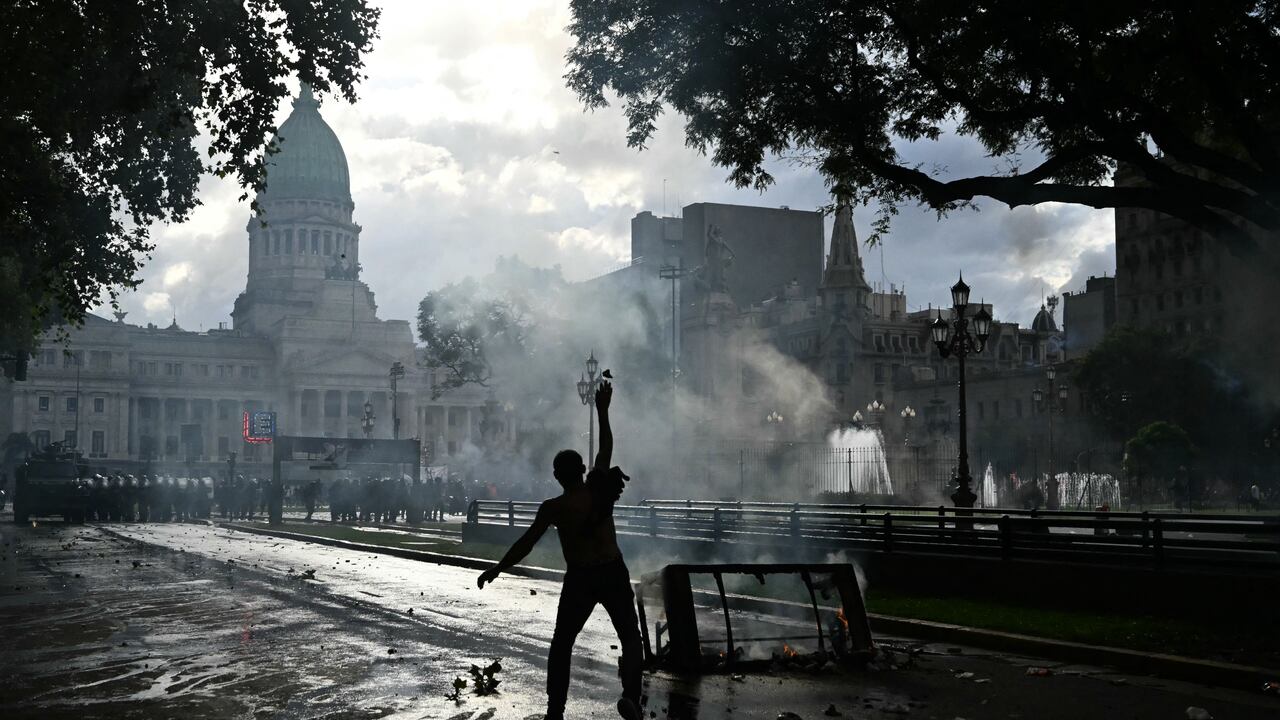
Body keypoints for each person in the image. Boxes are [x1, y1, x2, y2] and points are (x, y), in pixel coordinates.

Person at [476, 381, 642, 720]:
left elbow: (526, 542)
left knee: (563, 644)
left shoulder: (554, 507)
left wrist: (498, 568)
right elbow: (607, 446)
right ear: (582, 470)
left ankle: (556, 709)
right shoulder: (598, 490)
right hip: (611, 570)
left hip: (582, 576)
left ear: (556, 475)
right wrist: (603, 411)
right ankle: (631, 698)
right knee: (630, 637)